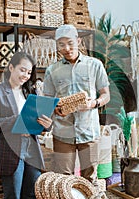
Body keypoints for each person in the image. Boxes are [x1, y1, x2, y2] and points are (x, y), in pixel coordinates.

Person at [43, 24, 110, 185]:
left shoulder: (95, 65)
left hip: (89, 131)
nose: (66, 48)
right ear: (57, 45)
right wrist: (56, 109)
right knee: (63, 179)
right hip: (62, 133)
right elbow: (47, 101)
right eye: (61, 44)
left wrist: (94, 103)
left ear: (78, 41)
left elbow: (106, 95)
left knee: (90, 179)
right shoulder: (52, 70)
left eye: (70, 43)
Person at [0, 52, 52, 199]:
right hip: (11, 150)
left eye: (29, 72)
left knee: (32, 193)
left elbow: (40, 121)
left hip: (32, 148)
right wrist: (16, 119)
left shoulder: (32, 92)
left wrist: (47, 125)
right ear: (11, 67)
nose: (26, 75)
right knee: (13, 195)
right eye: (22, 70)